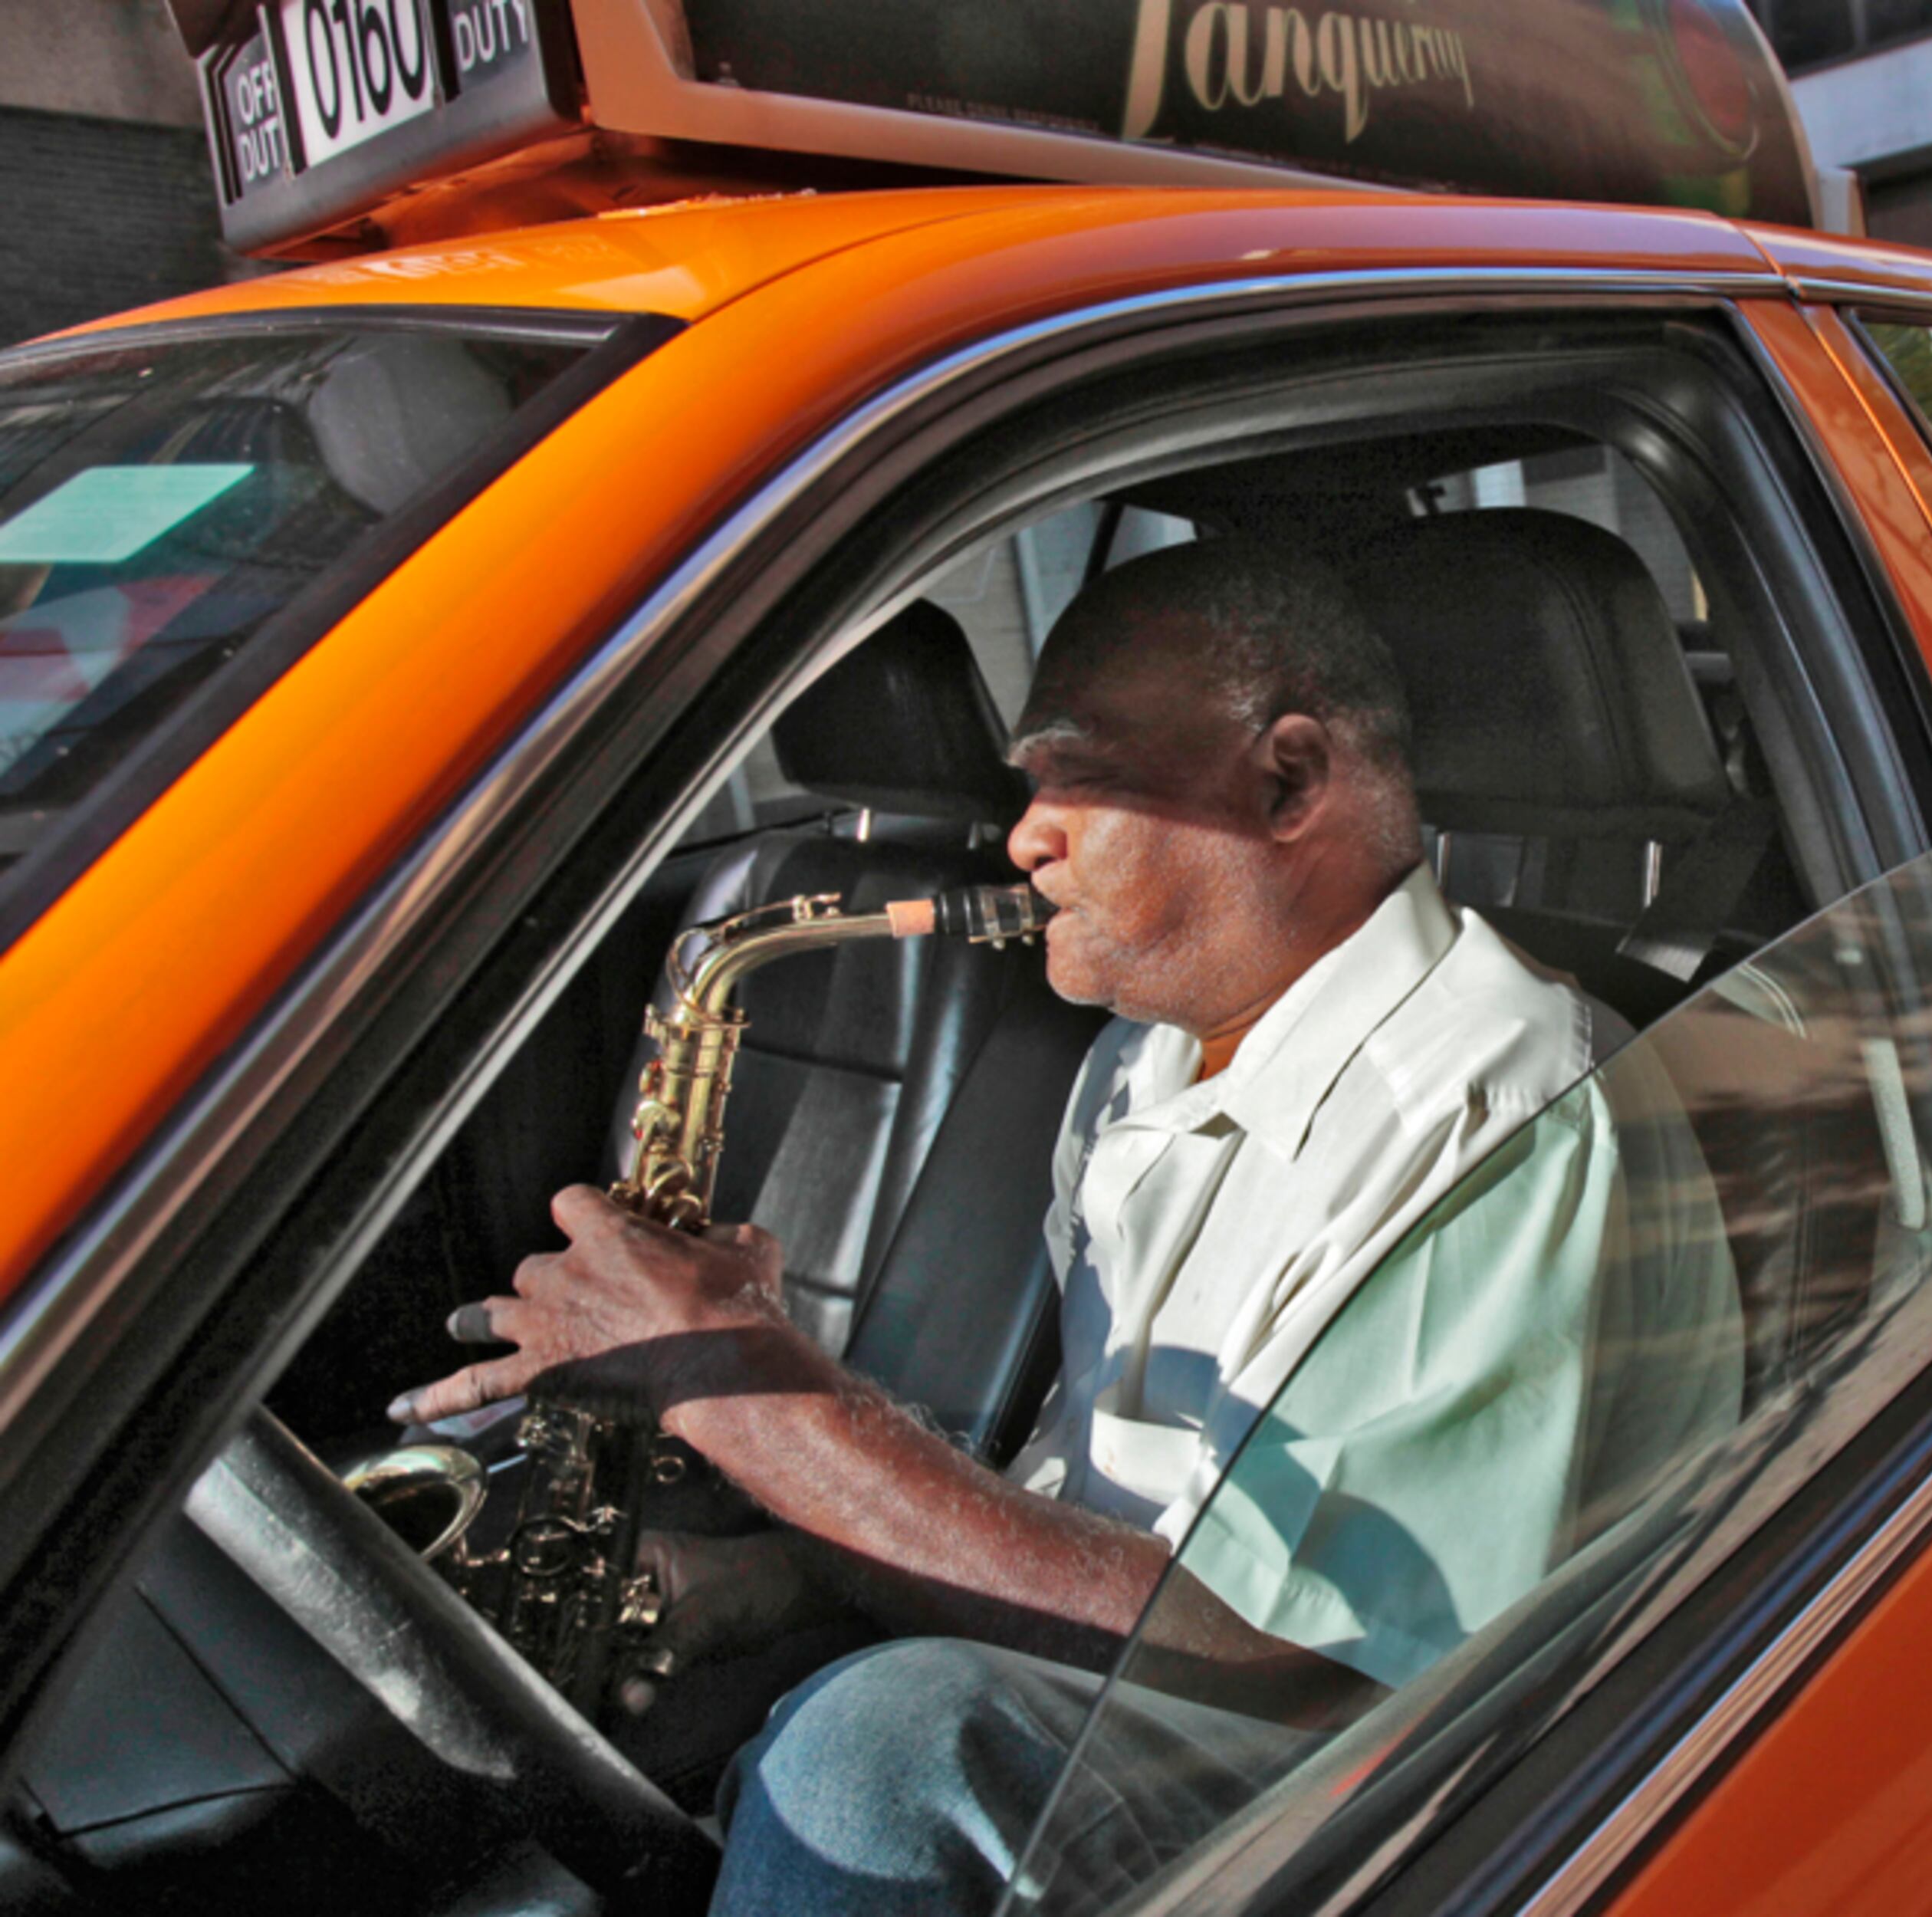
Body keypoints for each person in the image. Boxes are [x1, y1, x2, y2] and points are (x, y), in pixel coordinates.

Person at [396, 538, 1742, 1913]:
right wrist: (781, 1575)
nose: (1023, 837)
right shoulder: (1144, 1057)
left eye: (1074, 777)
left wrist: (739, 1386)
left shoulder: (1503, 1107)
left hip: (1401, 1807)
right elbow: (1099, 1513)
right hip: (1147, 1701)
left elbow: (1316, 1681)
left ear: (1285, 781)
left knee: (882, 1755)